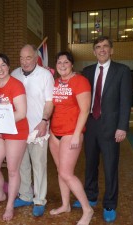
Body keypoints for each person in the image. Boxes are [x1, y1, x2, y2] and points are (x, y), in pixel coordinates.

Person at [72, 36, 132, 223]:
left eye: (106, 46)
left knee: (110, 166)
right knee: (90, 164)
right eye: (98, 47)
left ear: (111, 50)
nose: (102, 49)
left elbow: (125, 102)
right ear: (94, 51)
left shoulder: (122, 71)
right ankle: (90, 196)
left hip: (111, 127)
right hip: (90, 125)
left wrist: (122, 126)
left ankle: (109, 204)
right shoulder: (87, 72)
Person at [49, 51, 93, 225]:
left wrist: (76, 134)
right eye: (59, 62)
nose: (62, 65)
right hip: (55, 133)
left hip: (70, 133)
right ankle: (65, 204)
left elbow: (85, 110)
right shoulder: (57, 82)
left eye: (65, 62)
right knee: (61, 172)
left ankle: (87, 210)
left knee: (67, 173)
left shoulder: (80, 81)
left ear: (72, 64)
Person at [11, 44, 54, 217]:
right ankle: (26, 195)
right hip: (19, 129)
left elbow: (50, 101)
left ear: (36, 57)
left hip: (38, 128)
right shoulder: (14, 74)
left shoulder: (45, 75)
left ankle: (39, 199)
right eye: (21, 58)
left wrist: (44, 121)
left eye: (28, 58)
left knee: (39, 165)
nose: (24, 62)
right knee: (22, 165)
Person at [0, 53, 29, 221]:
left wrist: (1, 117)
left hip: (16, 131)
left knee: (12, 170)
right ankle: (1, 195)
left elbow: (22, 113)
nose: (0, 69)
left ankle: (10, 204)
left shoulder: (16, 85)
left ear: (9, 66)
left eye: (3, 65)